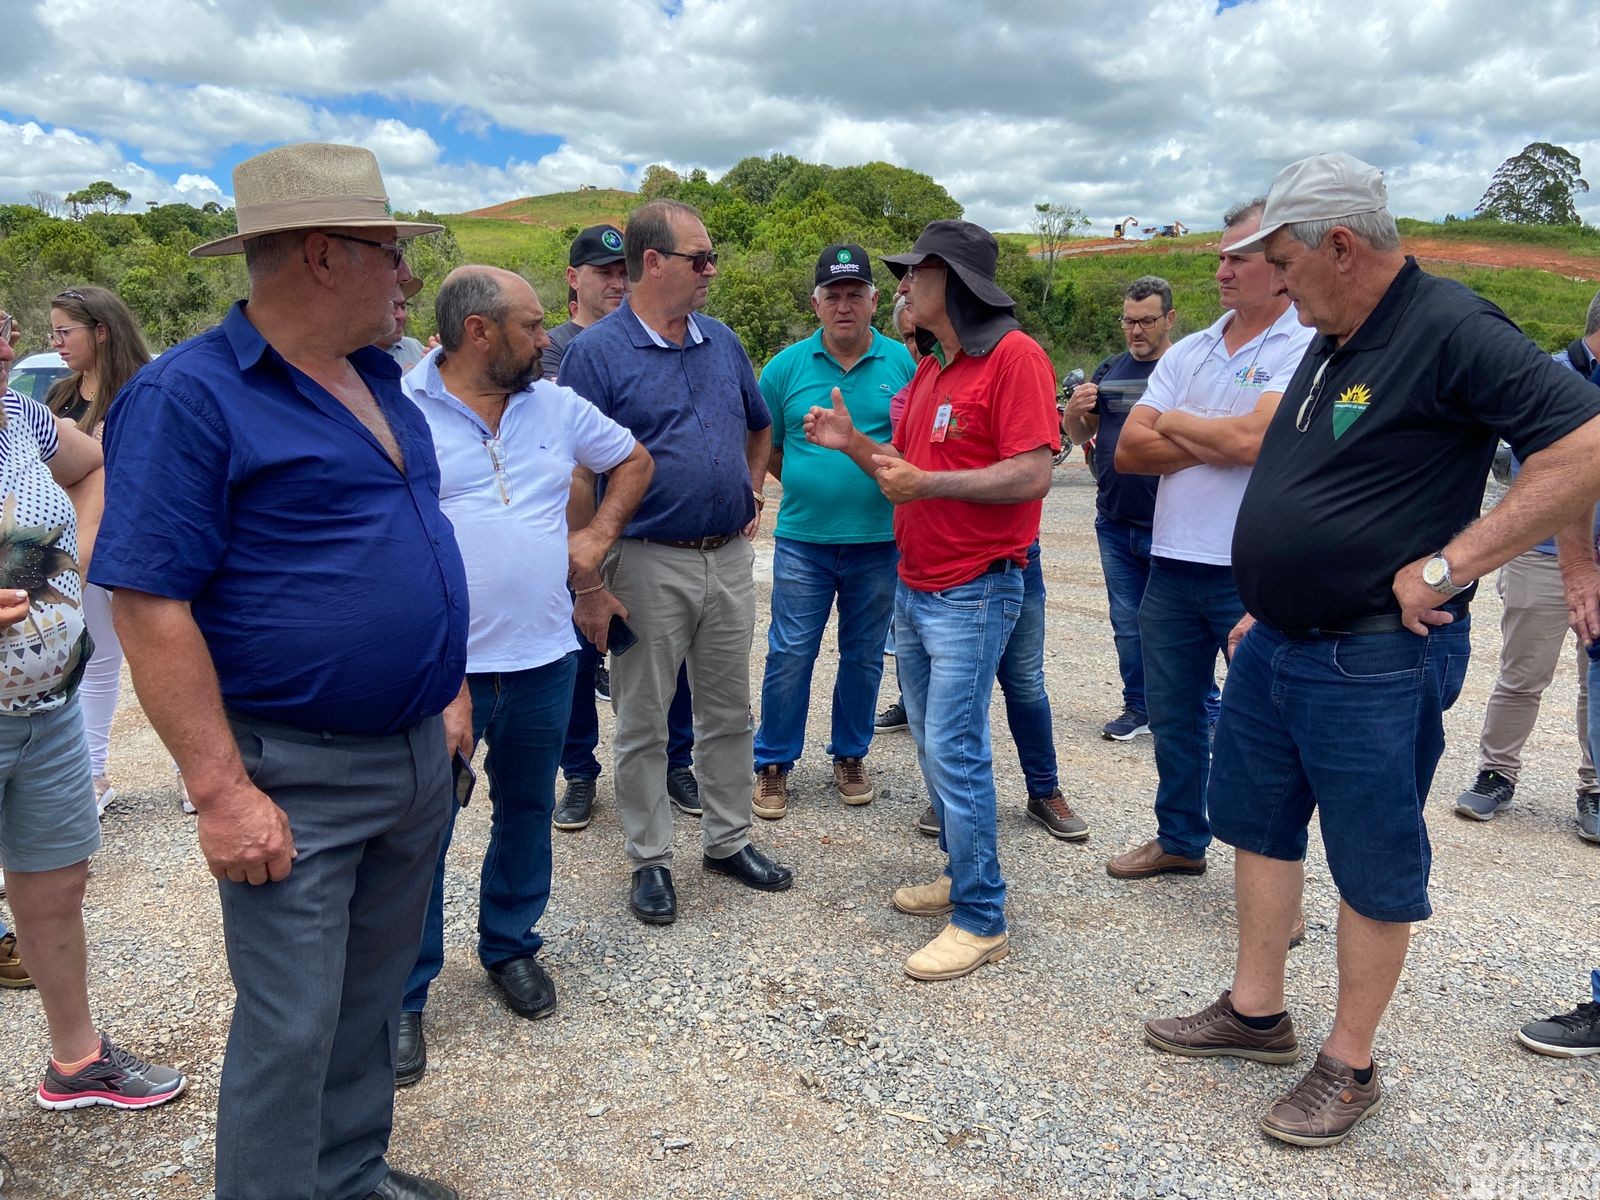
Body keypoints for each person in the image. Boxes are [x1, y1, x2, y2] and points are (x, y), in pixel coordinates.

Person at [1145, 151, 1600, 1149]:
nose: (1275, 282)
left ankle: (1349, 1065)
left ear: (1340, 246)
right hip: (1279, 641)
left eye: (1283, 262)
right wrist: (1271, 598)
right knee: (1259, 826)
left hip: (1373, 656)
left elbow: (1584, 445)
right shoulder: (1333, 334)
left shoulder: (1449, 327)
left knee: (1370, 859)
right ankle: (1256, 1012)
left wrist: (1449, 566)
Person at [92, 143, 470, 1200]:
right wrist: (220, 792)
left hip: (413, 756)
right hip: (294, 771)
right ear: (321, 254)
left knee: (369, 999)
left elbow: (415, 545)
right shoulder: (189, 397)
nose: (408, 276)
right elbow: (148, 603)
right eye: (389, 252)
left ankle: (347, 1174)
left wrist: (447, 690)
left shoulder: (381, 380)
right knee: (293, 1021)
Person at [395, 266, 652, 1086]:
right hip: (443, 672)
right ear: (479, 331)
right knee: (421, 833)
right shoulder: (399, 408)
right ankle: (402, 994)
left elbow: (634, 460)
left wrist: (596, 538)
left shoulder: (554, 405)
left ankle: (510, 947)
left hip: (544, 658)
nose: (548, 339)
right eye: (533, 326)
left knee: (527, 811)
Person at [804, 219, 1060, 980]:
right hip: (916, 586)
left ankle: (982, 918)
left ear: (957, 279)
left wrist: (931, 483)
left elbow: (1033, 473)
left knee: (955, 747)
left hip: (975, 588)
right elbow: (904, 472)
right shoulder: (932, 370)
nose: (905, 283)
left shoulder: (1015, 358)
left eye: (918, 270)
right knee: (931, 743)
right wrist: (854, 443)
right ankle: (960, 872)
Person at [557, 199, 791, 926]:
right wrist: (587, 576)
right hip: (644, 562)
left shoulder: (722, 342)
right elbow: (575, 472)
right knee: (642, 721)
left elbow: (759, 427)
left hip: (727, 559)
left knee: (727, 712)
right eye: (701, 258)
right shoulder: (595, 354)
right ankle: (650, 860)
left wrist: (750, 491)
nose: (712, 269)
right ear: (653, 262)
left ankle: (728, 841)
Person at [0, 302, 182, 1108]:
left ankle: (76, 1062)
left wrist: (74, 558)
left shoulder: (23, 418)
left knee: (55, 884)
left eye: (5, 326)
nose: (7, 340)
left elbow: (92, 469)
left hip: (47, 709)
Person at [1106, 200, 1314, 881]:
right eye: (1221, 257)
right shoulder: (1192, 348)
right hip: (1172, 564)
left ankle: (1270, 878)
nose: (1222, 270)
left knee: (1263, 725)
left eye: (1238, 258)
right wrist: (1222, 435)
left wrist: (1178, 422)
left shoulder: (1303, 345)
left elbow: (1258, 441)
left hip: (1249, 571)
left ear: (1279, 267)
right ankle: (1179, 839)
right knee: (1172, 715)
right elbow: (1129, 452)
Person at [750, 244, 914, 819]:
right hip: (804, 540)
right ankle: (773, 761)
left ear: (874, 300)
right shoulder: (783, 369)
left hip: (879, 540)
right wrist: (807, 479)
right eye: (833, 296)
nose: (844, 306)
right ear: (816, 304)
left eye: (855, 295)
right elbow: (768, 447)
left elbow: (916, 452)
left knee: (864, 655)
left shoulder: (904, 365)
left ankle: (850, 754)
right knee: (790, 653)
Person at [547, 224, 699, 833]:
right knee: (579, 658)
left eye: (622, 271)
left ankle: (677, 761)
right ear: (573, 279)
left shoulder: (651, 339)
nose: (616, 282)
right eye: (602, 272)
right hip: (577, 531)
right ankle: (579, 772)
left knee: (671, 656)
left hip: (649, 534)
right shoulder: (552, 350)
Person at [1453, 287, 1600, 824]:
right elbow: (1540, 476)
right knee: (1523, 673)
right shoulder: (1549, 377)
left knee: (1596, 678)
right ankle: (1497, 772)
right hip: (1541, 554)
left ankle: (1595, 785)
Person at [1064, 276, 1219, 741]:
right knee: (1127, 624)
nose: (1136, 330)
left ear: (1169, 319)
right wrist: (1073, 412)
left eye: (1147, 321)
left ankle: (1204, 706)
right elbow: (1081, 435)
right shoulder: (1110, 368)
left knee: (1181, 626)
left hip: (1171, 523)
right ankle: (1139, 707)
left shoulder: (1189, 368)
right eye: (1128, 321)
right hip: (1114, 519)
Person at [42, 286, 151, 818]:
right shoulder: (60, 396)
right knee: (96, 658)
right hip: (81, 543)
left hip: (141, 541)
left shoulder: (147, 389)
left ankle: (191, 771)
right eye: (53, 333)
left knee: (163, 654)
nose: (57, 343)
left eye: (65, 331)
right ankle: (93, 774)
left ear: (101, 330)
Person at [375, 275, 427, 371]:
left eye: (403, 306)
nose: (402, 316)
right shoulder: (350, 358)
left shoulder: (415, 348)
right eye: (393, 307)